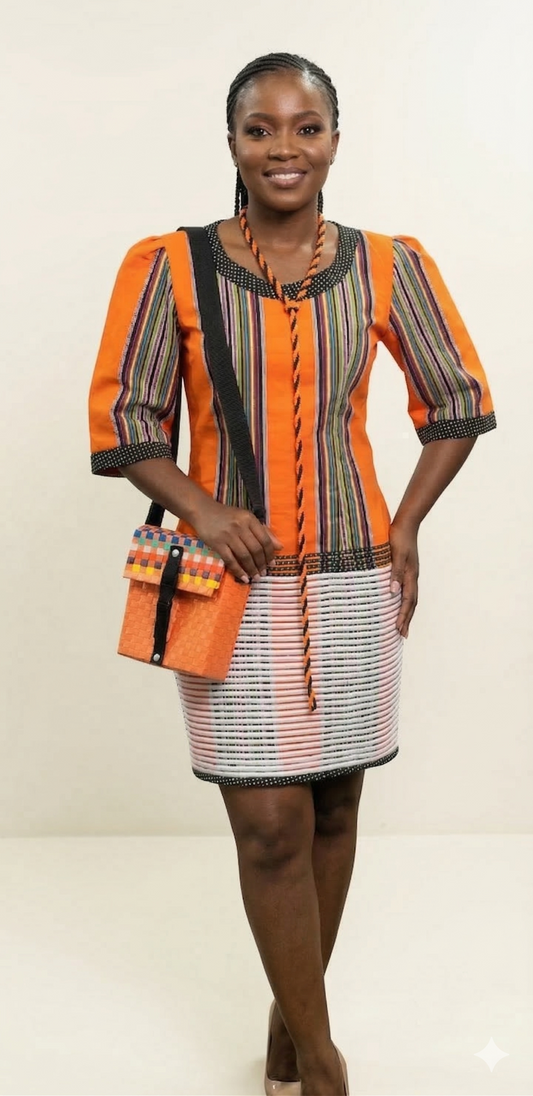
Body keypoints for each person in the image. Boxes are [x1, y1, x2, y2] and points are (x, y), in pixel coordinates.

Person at [88, 51, 496, 1096]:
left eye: (304, 127)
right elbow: (128, 421)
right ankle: (321, 1063)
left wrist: (404, 523)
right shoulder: (167, 266)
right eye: (260, 128)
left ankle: (283, 1029)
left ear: (332, 140)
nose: (283, 147)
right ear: (231, 142)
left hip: (356, 574)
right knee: (267, 823)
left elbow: (454, 397)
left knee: (329, 811)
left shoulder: (387, 264)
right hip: (227, 581)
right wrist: (205, 508)